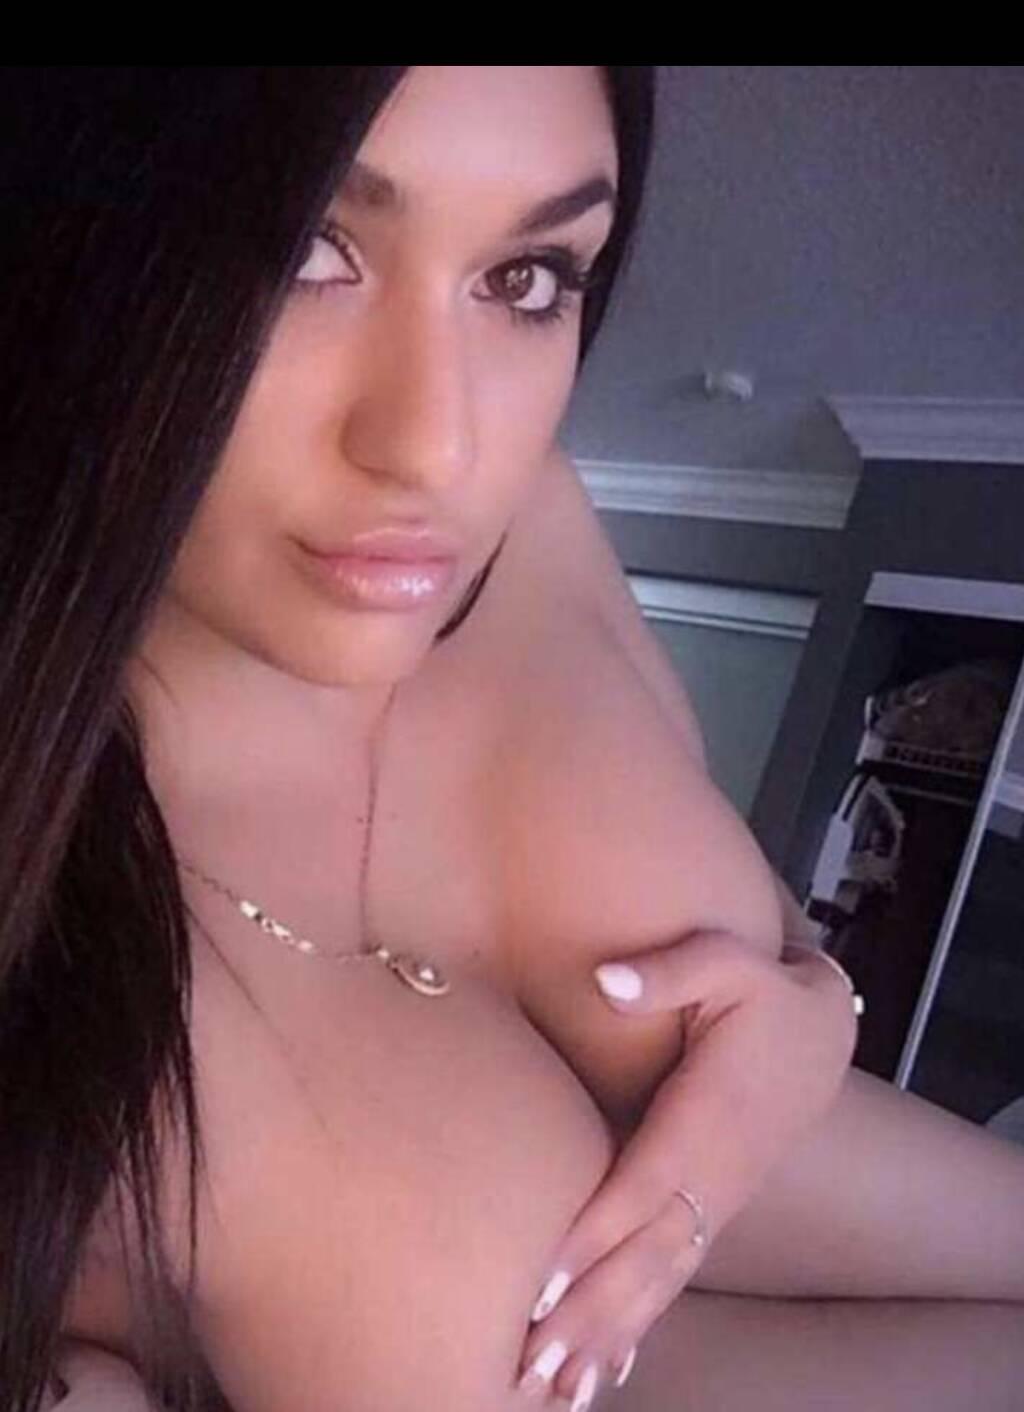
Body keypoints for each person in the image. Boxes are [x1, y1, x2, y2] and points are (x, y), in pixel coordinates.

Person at [3, 68, 1021, 1412]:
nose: (436, 447)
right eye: (309, 251)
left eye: (526, 278)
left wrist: (814, 1012)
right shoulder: (50, 994)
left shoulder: (534, 529)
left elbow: (774, 928)